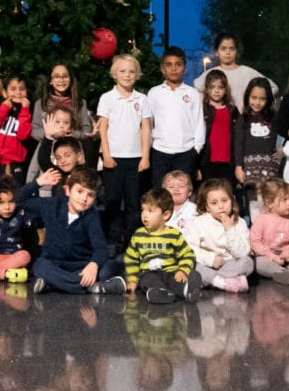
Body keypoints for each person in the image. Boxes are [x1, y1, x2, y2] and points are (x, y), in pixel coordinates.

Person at [27, 168, 126, 295]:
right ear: (68, 190)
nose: (84, 198)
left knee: (109, 268)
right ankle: (94, 288)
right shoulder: (52, 205)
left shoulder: (92, 216)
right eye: (79, 191)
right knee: (39, 266)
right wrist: (38, 182)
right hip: (55, 264)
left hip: (81, 266)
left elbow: (101, 248)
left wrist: (94, 264)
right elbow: (19, 200)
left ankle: (52, 284)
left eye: (90, 195)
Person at [97, 54, 153, 245]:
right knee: (112, 201)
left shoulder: (142, 99)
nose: (127, 75)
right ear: (114, 74)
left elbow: (146, 128)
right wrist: (106, 154)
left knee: (133, 203)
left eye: (131, 72)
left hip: (135, 159)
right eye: (122, 71)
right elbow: (102, 128)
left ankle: (132, 242)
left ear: (137, 75)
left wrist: (145, 157)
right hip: (113, 159)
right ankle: (112, 241)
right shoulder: (107, 98)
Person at [124, 188, 199, 304]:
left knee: (176, 281)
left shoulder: (174, 234)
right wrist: (132, 280)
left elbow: (188, 255)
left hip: (171, 272)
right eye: (143, 210)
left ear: (166, 215)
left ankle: (187, 290)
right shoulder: (139, 235)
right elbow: (131, 259)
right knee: (150, 280)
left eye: (150, 211)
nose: (144, 215)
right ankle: (159, 293)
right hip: (149, 273)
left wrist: (183, 270)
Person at [147, 46, 205, 185]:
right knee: (161, 193)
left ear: (185, 68)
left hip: (186, 153)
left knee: (183, 192)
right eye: (169, 65)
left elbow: (198, 123)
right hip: (160, 152)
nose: (173, 69)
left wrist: (195, 149)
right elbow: (148, 124)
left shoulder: (192, 94)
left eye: (178, 64)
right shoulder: (154, 93)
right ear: (162, 68)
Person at [188, 178, 253, 293]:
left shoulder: (240, 222)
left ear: (232, 200)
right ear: (207, 207)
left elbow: (242, 253)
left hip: (229, 265)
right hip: (206, 265)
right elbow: (190, 248)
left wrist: (230, 228)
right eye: (214, 203)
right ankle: (222, 283)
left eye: (224, 201)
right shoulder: (200, 222)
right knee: (192, 266)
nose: (221, 206)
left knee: (248, 262)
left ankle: (213, 280)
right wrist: (210, 259)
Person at [30, 63, 98, 170]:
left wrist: (72, 134)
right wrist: (50, 135)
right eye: (57, 76)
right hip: (48, 149)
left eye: (65, 76)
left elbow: (87, 129)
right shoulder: (41, 103)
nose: (61, 80)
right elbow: (35, 130)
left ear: (70, 79)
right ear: (50, 81)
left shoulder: (80, 103)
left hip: (72, 150)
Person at [193, 33, 277, 113]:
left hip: (244, 122)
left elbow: (273, 88)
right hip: (220, 123)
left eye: (231, 49)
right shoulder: (211, 74)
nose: (228, 52)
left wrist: (255, 104)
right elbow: (197, 90)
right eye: (223, 48)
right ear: (216, 52)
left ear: (237, 51)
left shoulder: (247, 72)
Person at [232, 77, 278, 219]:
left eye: (262, 99)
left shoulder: (273, 118)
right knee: (253, 201)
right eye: (254, 98)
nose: (257, 103)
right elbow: (238, 144)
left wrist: (281, 150)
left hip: (269, 169)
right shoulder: (243, 119)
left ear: (268, 100)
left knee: (268, 200)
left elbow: (282, 136)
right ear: (247, 97)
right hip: (249, 169)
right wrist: (238, 166)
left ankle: (268, 230)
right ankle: (256, 228)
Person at [249, 178, 289, 285]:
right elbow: (255, 243)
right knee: (256, 263)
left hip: (288, 258)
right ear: (269, 203)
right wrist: (272, 257)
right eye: (284, 200)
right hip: (268, 258)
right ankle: (280, 273)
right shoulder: (261, 219)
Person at [0, 74, 33, 186]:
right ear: (4, 93)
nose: (18, 92)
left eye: (22, 89)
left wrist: (25, 110)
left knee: (14, 194)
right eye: (13, 89)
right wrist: (4, 109)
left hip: (12, 163)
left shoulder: (26, 114)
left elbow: (23, 135)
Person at [198, 69, 238, 183]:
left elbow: (238, 137)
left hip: (228, 162)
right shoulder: (202, 110)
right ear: (207, 89)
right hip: (207, 162)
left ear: (225, 90)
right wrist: (197, 166)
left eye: (220, 87)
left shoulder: (232, 110)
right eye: (212, 87)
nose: (216, 91)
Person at [163, 170, 198, 242]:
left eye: (181, 186)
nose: (176, 189)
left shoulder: (195, 211)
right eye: (171, 187)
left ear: (189, 192)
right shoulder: (160, 211)